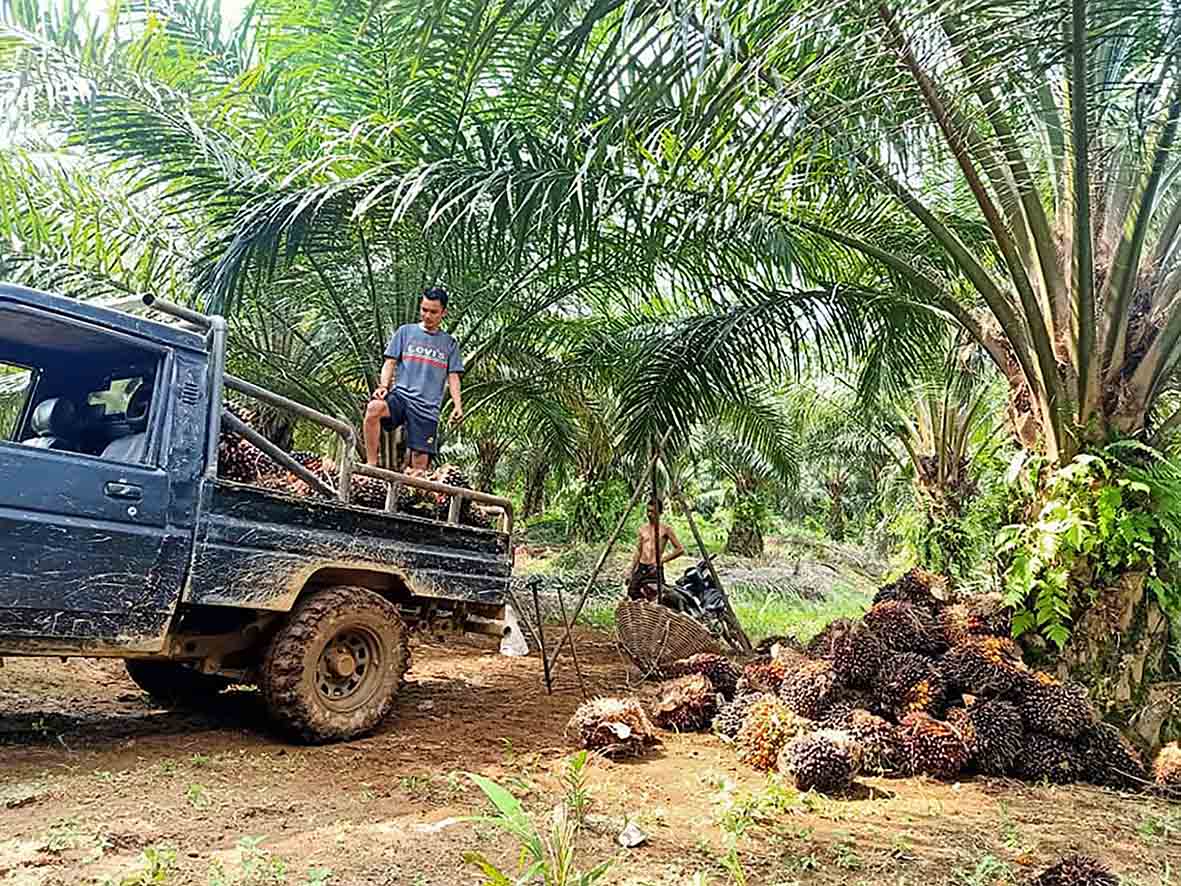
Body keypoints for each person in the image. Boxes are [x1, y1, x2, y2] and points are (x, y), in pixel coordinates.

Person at [363, 286, 464, 471]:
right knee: (374, 408)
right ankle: (370, 466)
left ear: (443, 312)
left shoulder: (449, 344)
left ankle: (414, 495)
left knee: (420, 464)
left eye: (433, 312)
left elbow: (454, 376)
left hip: (427, 408)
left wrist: (458, 405)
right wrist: (384, 385)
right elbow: (390, 362)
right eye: (424, 309)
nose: (427, 315)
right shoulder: (405, 332)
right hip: (401, 397)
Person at [627, 498, 686, 601]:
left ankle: (653, 616)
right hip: (642, 567)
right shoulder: (642, 529)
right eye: (648, 511)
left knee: (655, 596)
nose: (650, 514)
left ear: (660, 513)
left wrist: (661, 561)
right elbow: (639, 551)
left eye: (653, 512)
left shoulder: (665, 529)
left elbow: (679, 549)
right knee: (633, 592)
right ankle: (640, 616)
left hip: (654, 568)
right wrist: (631, 571)